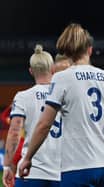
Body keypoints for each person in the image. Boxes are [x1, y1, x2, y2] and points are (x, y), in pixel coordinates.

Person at [18, 23, 104, 187]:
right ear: (89, 49)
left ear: (66, 52)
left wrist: (27, 158)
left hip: (77, 166)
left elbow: (44, 124)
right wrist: (96, 130)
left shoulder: (62, 78)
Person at [2, 44, 61, 187]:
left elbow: (14, 133)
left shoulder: (23, 97)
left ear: (31, 71)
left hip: (31, 171)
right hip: (63, 171)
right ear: (53, 69)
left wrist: (7, 166)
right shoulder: (64, 94)